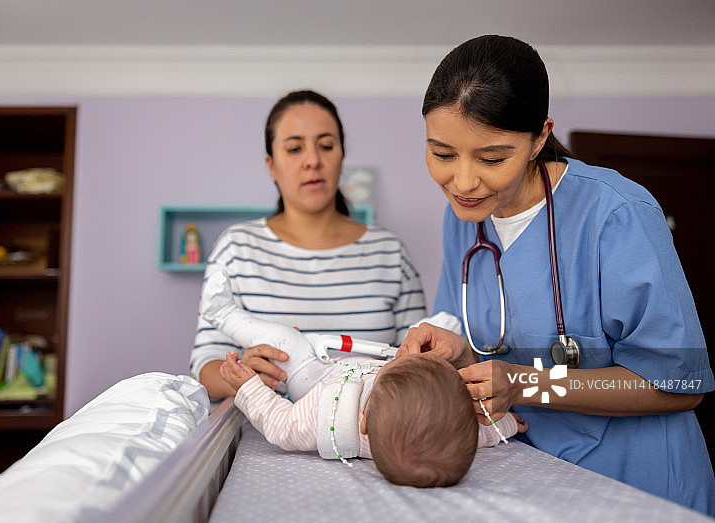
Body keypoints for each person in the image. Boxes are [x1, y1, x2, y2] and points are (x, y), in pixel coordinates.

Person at [397, 34, 714, 514]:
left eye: (492, 158)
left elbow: (677, 386)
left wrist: (525, 384)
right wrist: (458, 352)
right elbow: (489, 342)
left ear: (540, 136)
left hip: (640, 487)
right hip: (532, 483)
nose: (462, 182)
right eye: (442, 154)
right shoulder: (463, 219)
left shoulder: (614, 213)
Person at [190, 90, 427, 398]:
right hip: (260, 439)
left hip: (372, 435)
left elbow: (419, 364)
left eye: (326, 146)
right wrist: (242, 376)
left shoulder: (390, 253)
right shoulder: (236, 249)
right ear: (272, 165)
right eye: (294, 149)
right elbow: (203, 367)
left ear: (342, 156)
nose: (313, 161)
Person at [220, 349, 526, 487]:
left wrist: (247, 386)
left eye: (383, 370)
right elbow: (482, 430)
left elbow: (280, 424)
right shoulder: (459, 431)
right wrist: (509, 423)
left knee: (285, 346)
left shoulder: (328, 414)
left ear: (362, 421)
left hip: (312, 375)